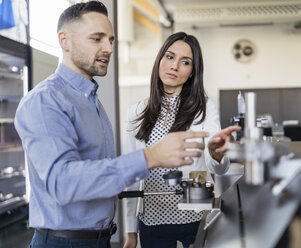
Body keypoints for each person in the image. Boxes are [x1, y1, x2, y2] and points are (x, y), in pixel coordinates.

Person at [14, 2, 208, 248]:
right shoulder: (45, 100)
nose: (108, 48)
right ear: (65, 41)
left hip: (100, 239)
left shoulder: (91, 101)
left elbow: (103, 177)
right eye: (97, 39)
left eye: (111, 40)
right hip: (63, 242)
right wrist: (149, 157)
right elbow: (63, 184)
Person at [123, 32, 241, 248]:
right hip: (152, 219)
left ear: (192, 72)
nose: (174, 66)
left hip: (194, 216)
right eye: (169, 57)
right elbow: (132, 172)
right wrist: (130, 231)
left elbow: (217, 164)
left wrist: (216, 151)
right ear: (159, 60)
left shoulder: (204, 107)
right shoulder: (137, 111)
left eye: (185, 62)